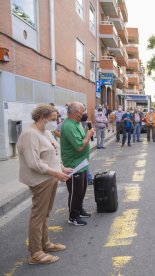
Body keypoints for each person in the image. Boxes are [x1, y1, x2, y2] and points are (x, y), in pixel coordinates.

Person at [17, 104, 72, 264]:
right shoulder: (30, 135)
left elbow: (52, 155)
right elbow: (34, 163)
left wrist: (62, 168)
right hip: (40, 180)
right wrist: (56, 173)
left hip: (51, 178)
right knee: (38, 216)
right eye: (53, 119)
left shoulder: (45, 132)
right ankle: (36, 253)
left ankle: (45, 243)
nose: (56, 122)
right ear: (42, 118)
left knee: (45, 214)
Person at [61, 102, 94, 226]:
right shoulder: (69, 126)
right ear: (75, 113)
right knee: (75, 192)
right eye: (82, 111)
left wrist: (87, 133)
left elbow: (82, 139)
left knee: (82, 189)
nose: (84, 113)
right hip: (73, 165)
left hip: (82, 164)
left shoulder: (77, 123)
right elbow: (79, 146)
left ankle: (79, 210)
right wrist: (89, 135)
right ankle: (73, 216)